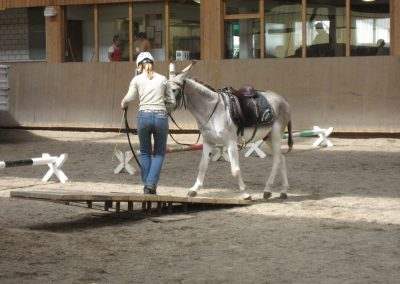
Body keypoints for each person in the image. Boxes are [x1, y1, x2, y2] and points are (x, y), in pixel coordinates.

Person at [121, 52, 174, 195]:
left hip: (143, 117)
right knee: (159, 153)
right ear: (153, 63)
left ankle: (147, 185)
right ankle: (150, 185)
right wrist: (165, 109)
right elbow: (172, 102)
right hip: (161, 117)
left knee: (145, 153)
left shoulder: (137, 79)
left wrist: (123, 103)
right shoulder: (163, 79)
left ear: (139, 66)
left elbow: (130, 97)